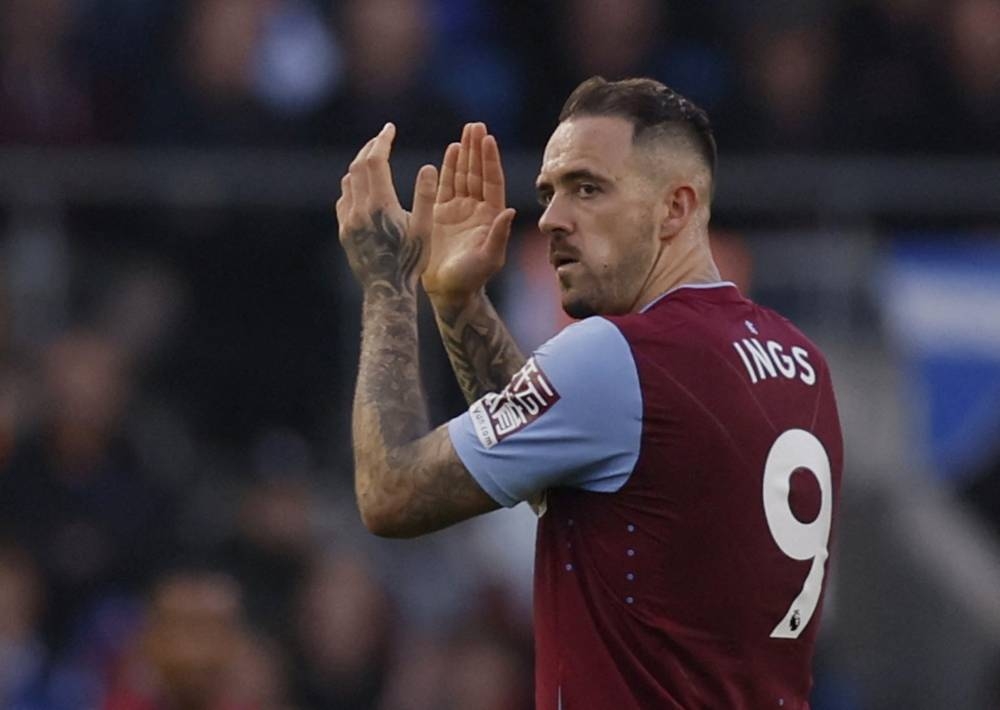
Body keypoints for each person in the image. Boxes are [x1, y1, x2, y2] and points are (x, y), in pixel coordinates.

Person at [336, 76, 843, 708]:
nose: (551, 219)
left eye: (587, 189)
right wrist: (458, 301)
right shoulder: (804, 363)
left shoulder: (622, 355)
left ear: (676, 208)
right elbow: (558, 466)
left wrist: (388, 284)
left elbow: (390, 492)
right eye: (548, 193)